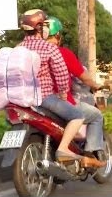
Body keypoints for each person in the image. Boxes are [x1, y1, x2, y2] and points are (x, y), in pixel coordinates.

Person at [18, 9, 93, 166]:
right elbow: (61, 75)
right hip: (44, 98)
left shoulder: (18, 48)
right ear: (41, 28)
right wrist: (63, 94)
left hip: (20, 98)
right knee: (77, 115)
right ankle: (64, 149)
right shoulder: (49, 48)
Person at [45, 16, 106, 168]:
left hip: (36, 101)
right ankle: (88, 154)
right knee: (96, 115)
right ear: (58, 35)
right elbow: (84, 77)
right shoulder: (63, 53)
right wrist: (95, 85)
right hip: (59, 101)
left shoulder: (32, 52)